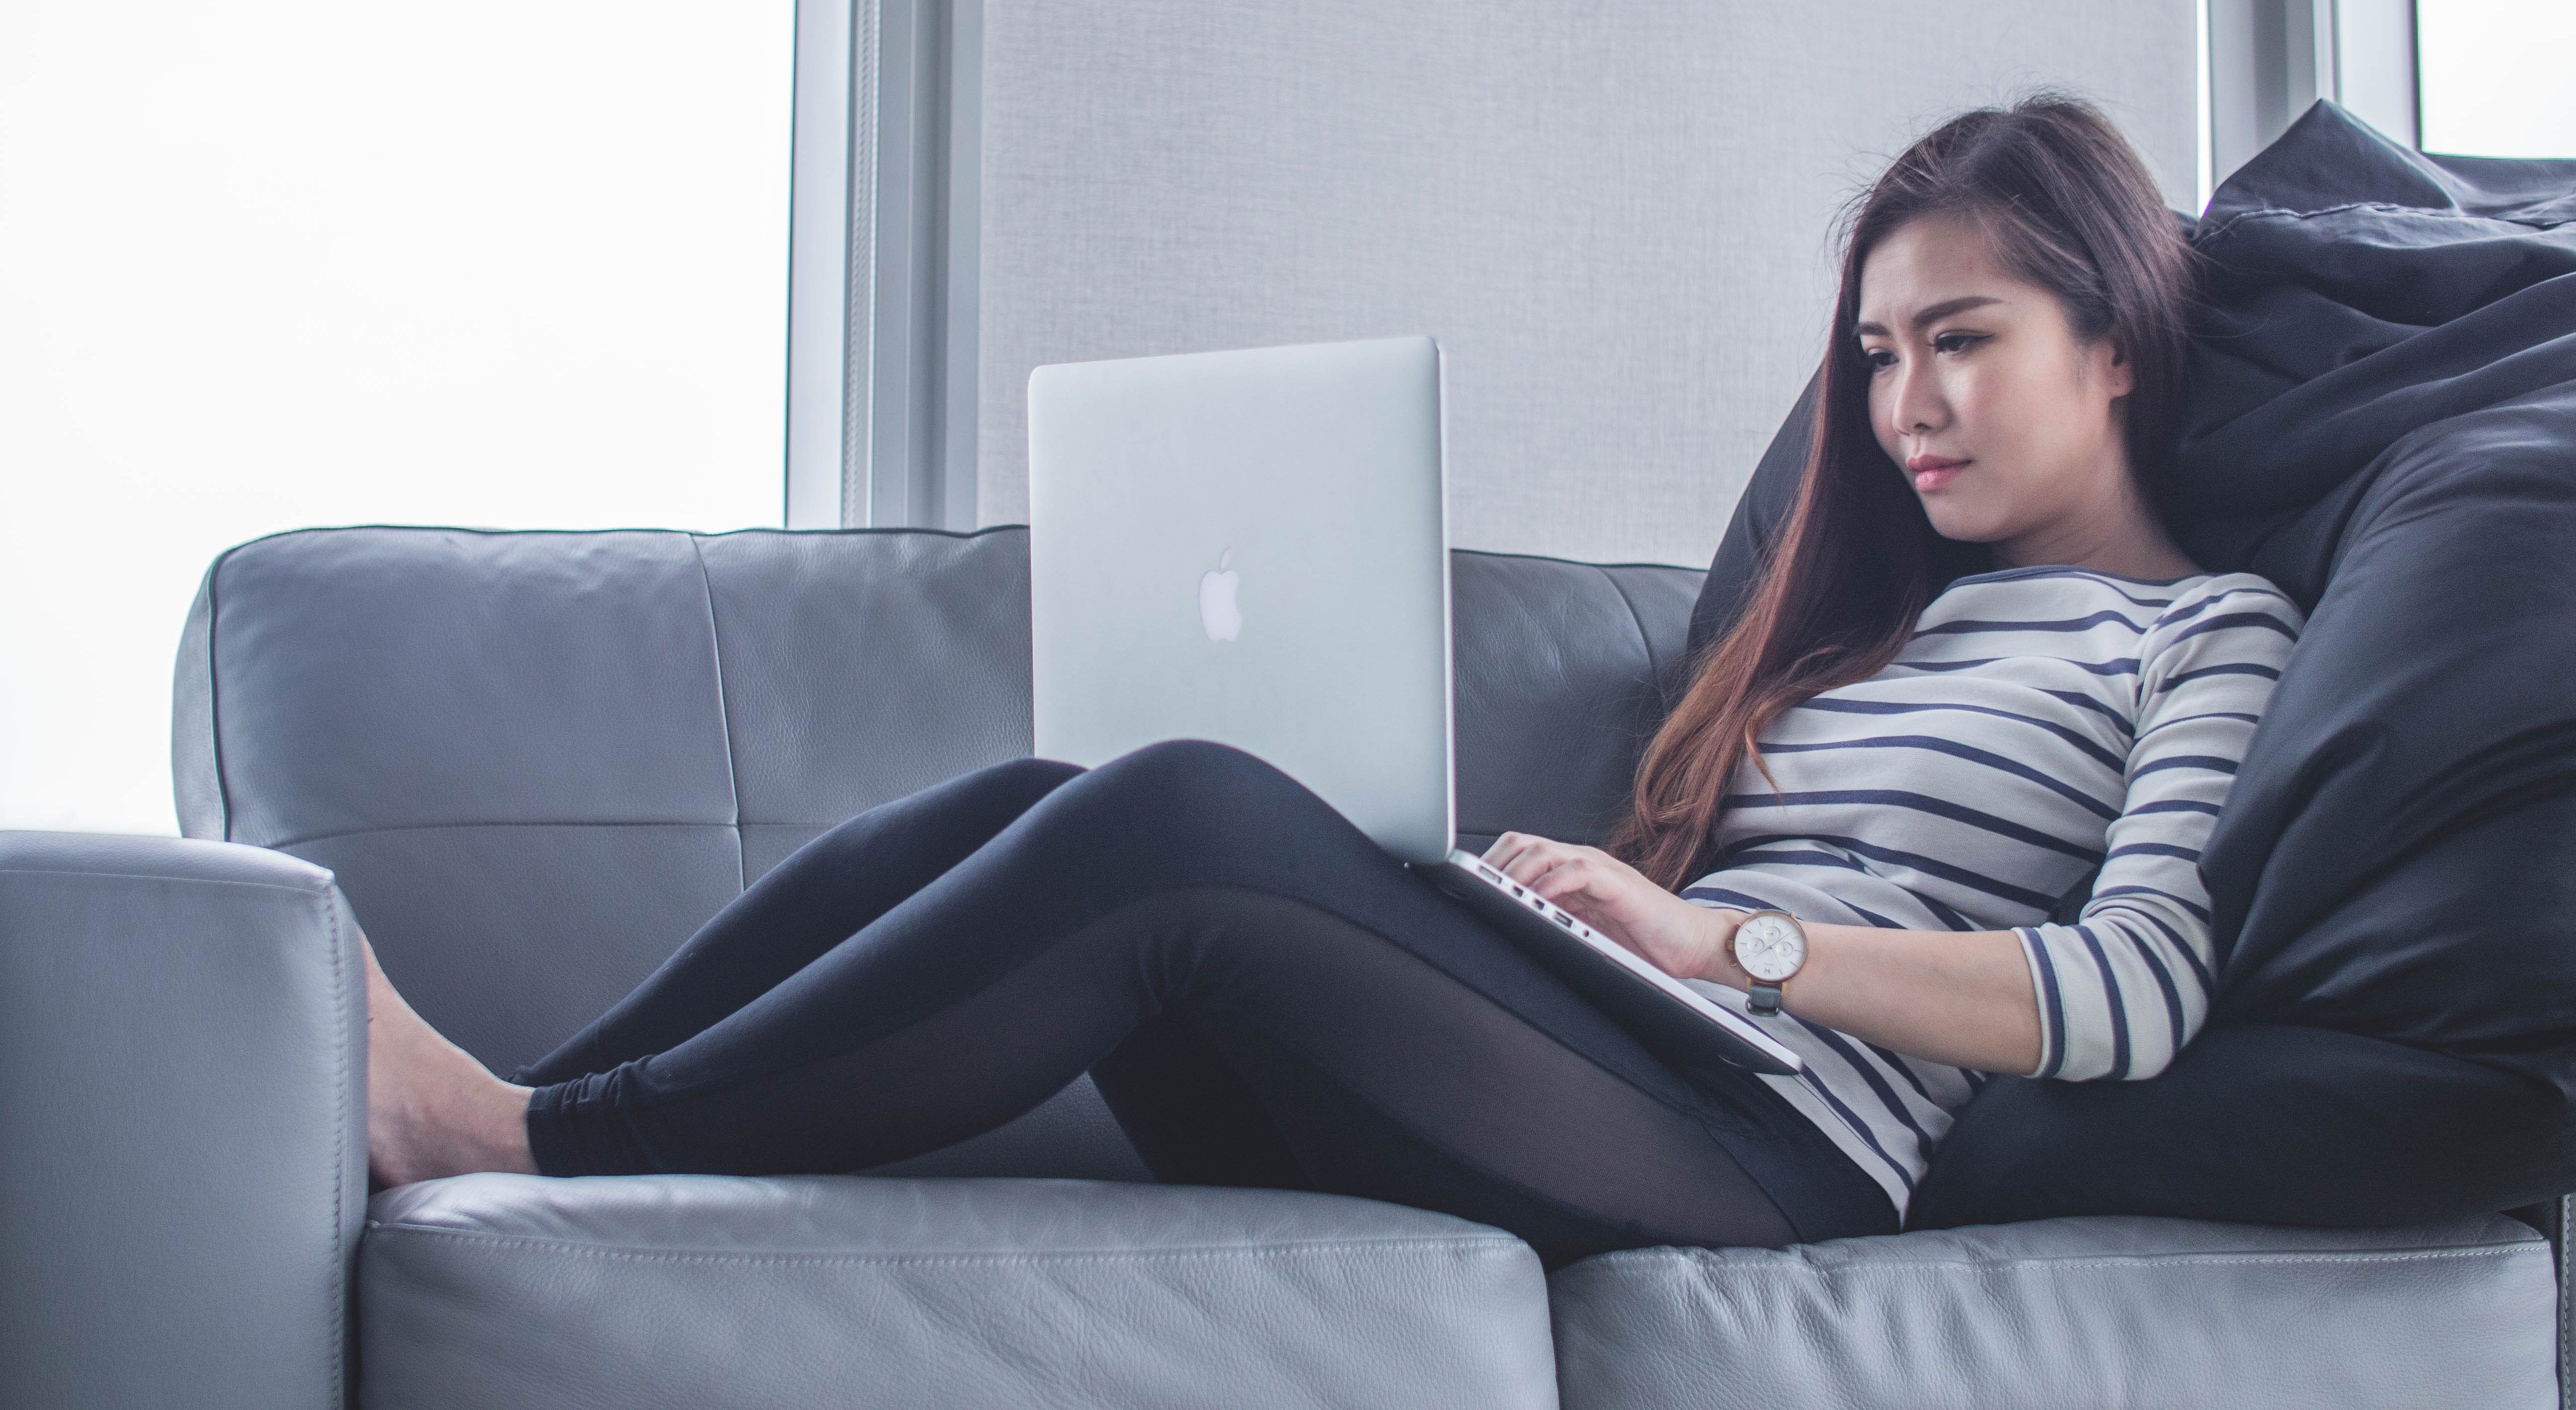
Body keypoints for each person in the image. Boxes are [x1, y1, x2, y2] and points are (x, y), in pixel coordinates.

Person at [364, 92, 2303, 1265]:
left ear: (2117, 338)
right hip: (1612, 1059)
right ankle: (534, 1111)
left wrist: (1729, 949)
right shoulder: (1883, 622)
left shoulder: (2205, 630)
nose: (1902, 405)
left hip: (1781, 1148)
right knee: (1055, 797)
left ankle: (527, 1139)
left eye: (1955, 339)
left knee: (1183, 815)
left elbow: (2134, 993)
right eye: (1874, 356)